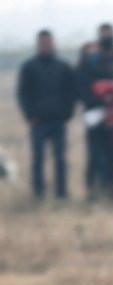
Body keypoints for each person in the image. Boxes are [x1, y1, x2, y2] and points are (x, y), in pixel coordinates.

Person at [17, 30, 77, 201]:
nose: (47, 46)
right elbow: (23, 93)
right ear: (38, 45)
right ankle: (39, 193)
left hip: (59, 120)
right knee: (38, 159)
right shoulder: (29, 67)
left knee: (60, 158)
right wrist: (30, 115)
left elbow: (71, 92)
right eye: (43, 43)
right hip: (38, 122)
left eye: (49, 43)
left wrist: (68, 112)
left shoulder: (63, 66)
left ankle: (62, 193)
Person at [77, 24, 113, 200]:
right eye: (90, 51)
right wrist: (101, 98)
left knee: (110, 156)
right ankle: (94, 190)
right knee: (96, 156)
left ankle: (109, 188)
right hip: (93, 117)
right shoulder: (82, 70)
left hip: (110, 117)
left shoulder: (105, 67)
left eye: (96, 50)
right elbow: (84, 93)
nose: (94, 53)